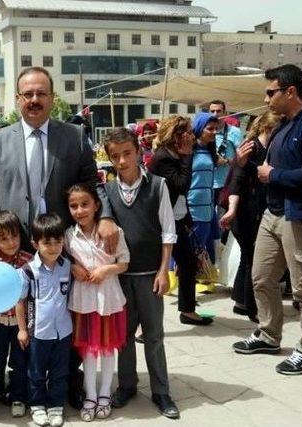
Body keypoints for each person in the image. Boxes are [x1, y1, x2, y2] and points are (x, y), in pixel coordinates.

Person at [0, 67, 120, 409]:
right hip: (16, 246)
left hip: (63, 247)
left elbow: (93, 182)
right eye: (28, 94)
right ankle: (24, 388)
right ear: (18, 99)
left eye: (42, 94)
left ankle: (66, 382)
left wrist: (107, 217)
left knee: (65, 318)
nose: (35, 100)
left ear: (52, 99)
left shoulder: (73, 136)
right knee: (22, 326)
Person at [232, 64, 302, 375]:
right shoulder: (283, 125)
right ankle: (268, 334)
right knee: (261, 277)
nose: (266, 99)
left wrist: (275, 174)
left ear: (290, 92)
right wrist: (249, 164)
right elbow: (269, 172)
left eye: (270, 92)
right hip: (273, 214)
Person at [102, 128, 179, 419]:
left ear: (138, 152)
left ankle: (161, 390)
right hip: (120, 277)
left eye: (127, 153)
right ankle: (127, 385)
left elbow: (168, 233)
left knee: (154, 335)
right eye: (115, 156)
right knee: (122, 335)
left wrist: (164, 270)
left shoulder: (158, 186)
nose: (122, 161)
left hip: (150, 275)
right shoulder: (107, 191)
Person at [64, 183, 129, 422]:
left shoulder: (113, 232)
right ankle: (90, 395)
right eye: (74, 206)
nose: (80, 210)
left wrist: (106, 270)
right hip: (83, 300)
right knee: (88, 350)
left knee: (108, 347)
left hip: (108, 298)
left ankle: (105, 393)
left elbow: (125, 261)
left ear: (96, 205)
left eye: (84, 204)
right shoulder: (69, 235)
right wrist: (73, 267)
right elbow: (62, 259)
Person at [149, 116, 213, 325]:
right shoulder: (163, 157)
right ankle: (144, 324)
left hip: (177, 217)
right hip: (160, 221)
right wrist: (186, 157)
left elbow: (180, 197)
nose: (190, 136)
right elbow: (181, 185)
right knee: (155, 269)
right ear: (175, 135)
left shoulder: (175, 154)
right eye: (185, 132)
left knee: (188, 262)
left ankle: (187, 310)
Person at [220, 111, 281, 323]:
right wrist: (232, 209)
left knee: (249, 257)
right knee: (254, 259)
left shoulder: (266, 148)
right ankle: (252, 307)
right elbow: (237, 179)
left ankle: (241, 301)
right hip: (247, 212)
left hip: (255, 210)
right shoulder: (251, 147)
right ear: (267, 128)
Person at [17, 213, 72, 427]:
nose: (53, 247)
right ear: (35, 243)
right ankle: (37, 406)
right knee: (36, 372)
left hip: (63, 331)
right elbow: (20, 302)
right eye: (46, 242)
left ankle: (56, 405)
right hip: (38, 332)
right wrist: (22, 330)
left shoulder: (67, 266)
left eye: (57, 241)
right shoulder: (28, 271)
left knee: (60, 371)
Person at [0, 210, 32, 418]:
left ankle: (18, 395)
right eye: (4, 238)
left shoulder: (28, 261)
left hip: (21, 323)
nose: (11, 242)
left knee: (20, 360)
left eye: (14, 236)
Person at [188, 112, 220, 264]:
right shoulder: (188, 152)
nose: (214, 132)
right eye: (210, 129)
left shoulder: (210, 151)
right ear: (200, 129)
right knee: (190, 254)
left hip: (206, 209)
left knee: (202, 254)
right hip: (191, 209)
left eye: (216, 128)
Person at [208, 100, 243, 207]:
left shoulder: (235, 132)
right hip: (207, 183)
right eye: (212, 111)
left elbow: (242, 159)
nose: (215, 114)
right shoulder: (204, 131)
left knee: (223, 219)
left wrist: (226, 161)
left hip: (226, 183)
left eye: (218, 111)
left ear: (225, 113)